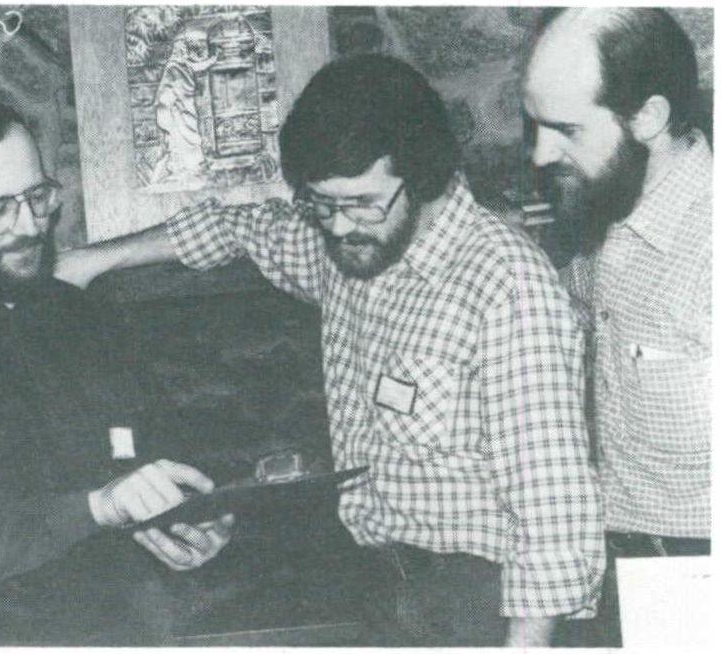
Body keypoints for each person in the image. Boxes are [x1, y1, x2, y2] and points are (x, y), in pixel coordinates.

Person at [56, 54, 605, 647]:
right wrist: (90, 261)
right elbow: (240, 227)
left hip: (481, 601)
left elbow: (553, 505)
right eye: (322, 204)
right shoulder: (347, 249)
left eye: (362, 203)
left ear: (424, 179)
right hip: (380, 580)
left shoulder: (506, 284)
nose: (340, 227)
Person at [0, 95, 234, 645]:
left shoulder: (88, 316)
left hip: (140, 630)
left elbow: (159, 454)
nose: (30, 225)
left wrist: (195, 519)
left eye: (37, 197)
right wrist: (100, 507)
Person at [522, 7, 711, 647]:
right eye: (534, 125)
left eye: (565, 129)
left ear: (647, 118)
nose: (540, 154)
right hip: (619, 572)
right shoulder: (609, 208)